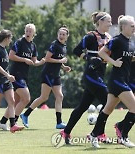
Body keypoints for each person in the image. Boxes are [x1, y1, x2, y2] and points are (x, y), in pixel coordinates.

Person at [57, 11, 112, 145]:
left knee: (82, 106)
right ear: (100, 22)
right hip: (91, 75)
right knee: (108, 102)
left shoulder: (110, 37)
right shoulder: (90, 37)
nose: (110, 24)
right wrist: (89, 58)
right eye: (108, 21)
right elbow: (76, 50)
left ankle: (66, 132)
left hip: (100, 74)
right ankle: (98, 133)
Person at [88, 15, 135, 148]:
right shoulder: (117, 40)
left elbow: (127, 59)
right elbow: (102, 52)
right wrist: (114, 62)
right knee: (134, 107)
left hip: (121, 80)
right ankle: (123, 135)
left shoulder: (130, 42)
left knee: (107, 109)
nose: (134, 28)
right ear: (123, 27)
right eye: (132, 26)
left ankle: (93, 135)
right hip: (117, 80)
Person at [20, 25, 71, 129]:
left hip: (56, 75)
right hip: (48, 74)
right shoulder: (54, 45)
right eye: (60, 34)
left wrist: (63, 67)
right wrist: (61, 61)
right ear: (57, 35)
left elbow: (57, 60)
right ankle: (25, 114)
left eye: (63, 34)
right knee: (44, 97)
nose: (61, 36)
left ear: (67, 36)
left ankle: (59, 122)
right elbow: (47, 58)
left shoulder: (64, 47)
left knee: (59, 96)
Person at [0, 23, 45, 131]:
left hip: (24, 75)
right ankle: (13, 122)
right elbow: (11, 55)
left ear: (34, 33)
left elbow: (33, 61)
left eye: (30, 31)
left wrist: (41, 62)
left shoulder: (33, 45)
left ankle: (3, 122)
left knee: (15, 101)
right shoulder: (19, 42)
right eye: (27, 31)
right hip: (16, 74)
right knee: (26, 98)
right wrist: (24, 59)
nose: (28, 33)